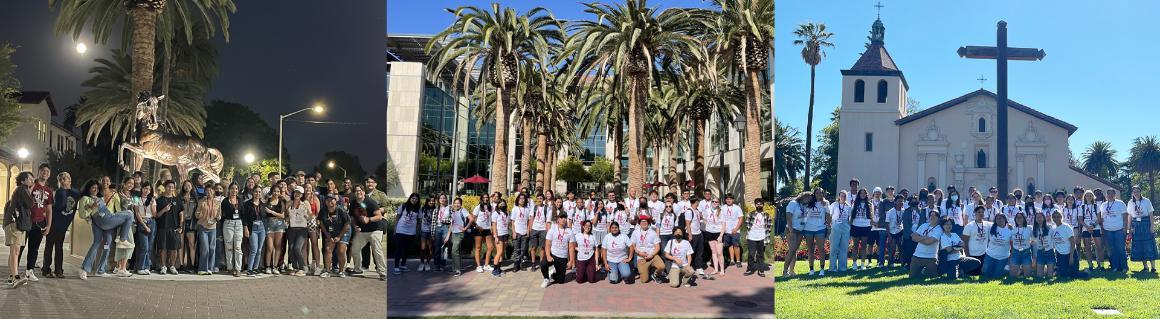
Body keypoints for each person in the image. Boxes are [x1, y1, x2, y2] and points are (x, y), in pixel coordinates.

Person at [42, 172, 79, 278]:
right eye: (60, 180)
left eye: (64, 179)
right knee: (49, 246)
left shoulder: (75, 193)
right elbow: (59, 204)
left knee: (59, 247)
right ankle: (46, 269)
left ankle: (59, 270)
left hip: (63, 225)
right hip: (53, 223)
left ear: (69, 180)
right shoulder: (58, 192)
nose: (62, 181)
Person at [24, 164, 54, 282]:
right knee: (20, 247)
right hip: (26, 221)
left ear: (49, 174)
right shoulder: (31, 185)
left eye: (47, 171)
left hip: (39, 222)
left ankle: (29, 271)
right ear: (39, 172)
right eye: (43, 171)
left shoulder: (48, 190)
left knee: (34, 248)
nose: (45, 173)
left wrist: (48, 225)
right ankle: (14, 272)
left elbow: (49, 209)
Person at [350, 186, 387, 280]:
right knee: (354, 248)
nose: (358, 192)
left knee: (376, 248)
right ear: (354, 193)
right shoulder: (353, 203)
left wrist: (369, 219)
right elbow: (352, 218)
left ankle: (382, 272)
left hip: (375, 229)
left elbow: (379, 216)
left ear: (363, 192)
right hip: (362, 231)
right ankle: (357, 269)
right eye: (356, 191)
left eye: (360, 190)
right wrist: (355, 226)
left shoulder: (370, 202)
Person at [6, 172, 35, 288]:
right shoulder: (22, 189)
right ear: (23, 181)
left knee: (14, 251)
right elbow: (31, 203)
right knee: (15, 251)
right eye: (30, 178)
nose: (32, 180)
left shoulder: (22, 190)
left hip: (18, 223)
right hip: (16, 223)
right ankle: (15, 278)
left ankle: (11, 276)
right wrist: (31, 191)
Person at [154, 180, 182, 275]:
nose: (171, 189)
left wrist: (180, 226)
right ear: (165, 187)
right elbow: (156, 215)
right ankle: (163, 266)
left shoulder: (177, 200)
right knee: (162, 248)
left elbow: (181, 213)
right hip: (162, 227)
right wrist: (164, 210)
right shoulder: (159, 200)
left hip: (174, 228)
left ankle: (172, 266)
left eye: (172, 187)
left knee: (174, 248)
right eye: (169, 187)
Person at [1128, 186, 1156, 272]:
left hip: (1146, 223)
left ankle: (1153, 267)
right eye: (1134, 191)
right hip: (1136, 225)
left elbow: (1151, 214)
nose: (1136, 193)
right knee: (1140, 246)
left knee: (1149, 244)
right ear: (1132, 193)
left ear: (1140, 192)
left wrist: (1152, 225)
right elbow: (1130, 216)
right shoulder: (1130, 203)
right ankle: (1145, 267)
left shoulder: (1146, 201)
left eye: (1137, 191)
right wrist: (1129, 228)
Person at [541, 213, 573, 288]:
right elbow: (548, 244)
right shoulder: (552, 229)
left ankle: (552, 273)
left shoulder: (569, 231)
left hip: (563, 257)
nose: (563, 219)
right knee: (543, 263)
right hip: (553, 254)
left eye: (565, 218)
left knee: (561, 281)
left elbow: (571, 247)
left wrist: (571, 261)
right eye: (561, 217)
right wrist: (548, 256)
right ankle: (546, 278)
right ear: (558, 219)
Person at [1101, 188, 1129, 273]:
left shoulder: (1120, 203)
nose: (1110, 195)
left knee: (1121, 248)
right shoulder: (1103, 205)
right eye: (1108, 193)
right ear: (1106, 195)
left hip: (1119, 229)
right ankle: (1115, 267)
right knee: (1112, 249)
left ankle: (1124, 267)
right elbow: (1102, 218)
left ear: (1114, 195)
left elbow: (1125, 216)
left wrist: (1125, 228)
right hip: (1108, 230)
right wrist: (1102, 228)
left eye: (1112, 193)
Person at [195, 185, 220, 275]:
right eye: (207, 191)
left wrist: (217, 218)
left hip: (213, 227)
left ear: (213, 192)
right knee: (205, 248)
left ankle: (210, 268)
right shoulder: (202, 201)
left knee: (212, 248)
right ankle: (202, 269)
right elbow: (196, 214)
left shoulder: (217, 202)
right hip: (203, 226)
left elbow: (219, 214)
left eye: (210, 191)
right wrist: (200, 214)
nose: (209, 192)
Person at [782, 192, 809, 277]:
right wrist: (791, 230)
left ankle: (792, 271)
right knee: (792, 250)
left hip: (800, 231)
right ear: (803, 196)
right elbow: (788, 217)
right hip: (792, 230)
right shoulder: (793, 203)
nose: (809, 200)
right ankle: (785, 271)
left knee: (794, 251)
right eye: (808, 198)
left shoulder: (804, 205)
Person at [909, 210, 941, 279]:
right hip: (917, 256)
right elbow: (913, 237)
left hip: (930, 258)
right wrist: (924, 238)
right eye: (931, 215)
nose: (932, 217)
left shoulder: (939, 229)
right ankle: (923, 271)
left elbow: (929, 242)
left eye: (934, 215)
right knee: (912, 277)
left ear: (938, 218)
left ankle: (925, 271)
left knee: (934, 277)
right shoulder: (924, 225)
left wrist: (919, 238)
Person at [633, 216, 665, 284]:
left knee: (662, 266)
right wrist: (639, 252)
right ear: (639, 223)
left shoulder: (653, 232)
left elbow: (657, 247)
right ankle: (649, 270)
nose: (644, 223)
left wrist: (652, 254)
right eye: (642, 221)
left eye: (646, 221)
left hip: (652, 256)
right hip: (641, 258)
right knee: (644, 280)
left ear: (648, 223)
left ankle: (655, 275)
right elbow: (633, 245)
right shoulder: (635, 232)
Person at [242, 187, 266, 277]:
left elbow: (265, 216)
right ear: (253, 192)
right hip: (252, 228)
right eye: (256, 192)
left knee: (259, 250)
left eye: (260, 192)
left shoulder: (263, 204)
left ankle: (256, 268)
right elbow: (244, 217)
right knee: (254, 249)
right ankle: (249, 269)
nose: (258, 193)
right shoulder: (248, 204)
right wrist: (246, 228)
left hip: (262, 227)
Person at [962, 206, 991, 277]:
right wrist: (967, 256)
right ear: (974, 213)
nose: (981, 214)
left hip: (984, 254)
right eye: (979, 212)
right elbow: (965, 242)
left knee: (982, 274)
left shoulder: (988, 225)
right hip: (972, 254)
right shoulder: (969, 226)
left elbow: (999, 224)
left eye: (982, 212)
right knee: (972, 274)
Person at [980, 214, 1012, 279]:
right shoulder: (991, 227)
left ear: (1005, 219)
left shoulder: (1010, 230)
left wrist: (1009, 259)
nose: (999, 220)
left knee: (996, 277)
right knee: (985, 275)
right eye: (997, 218)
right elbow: (982, 222)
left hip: (1002, 258)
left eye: (1001, 218)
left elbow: (1013, 245)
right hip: (990, 256)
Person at [745, 198, 771, 277]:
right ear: (755, 205)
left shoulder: (767, 215)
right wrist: (749, 233)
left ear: (763, 205)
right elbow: (747, 224)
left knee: (760, 255)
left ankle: (761, 270)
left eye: (760, 203)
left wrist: (766, 236)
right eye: (757, 203)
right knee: (751, 254)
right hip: (752, 236)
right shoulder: (750, 214)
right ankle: (750, 269)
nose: (759, 205)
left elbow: (769, 227)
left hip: (762, 237)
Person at [1079, 190, 1103, 271]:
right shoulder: (1081, 207)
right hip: (1086, 229)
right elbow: (1080, 220)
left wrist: (1093, 226)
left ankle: (1101, 265)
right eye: (1087, 195)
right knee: (1088, 247)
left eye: (1090, 195)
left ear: (1093, 197)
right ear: (1084, 197)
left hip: (1096, 227)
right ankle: (1090, 265)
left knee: (1099, 247)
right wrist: (1087, 227)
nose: (1088, 197)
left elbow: (1099, 218)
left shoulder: (1097, 206)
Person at [828, 191, 852, 273]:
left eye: (845, 196)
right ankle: (832, 268)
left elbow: (850, 218)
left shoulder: (848, 206)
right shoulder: (834, 204)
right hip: (836, 225)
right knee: (834, 247)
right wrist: (830, 225)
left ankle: (842, 267)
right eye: (842, 196)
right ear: (839, 196)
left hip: (845, 226)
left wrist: (848, 226)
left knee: (844, 247)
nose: (843, 197)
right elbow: (830, 215)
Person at [469, 195, 495, 273]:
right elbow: (472, 219)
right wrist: (477, 226)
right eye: (484, 198)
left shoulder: (490, 207)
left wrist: (491, 227)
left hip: (487, 229)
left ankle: (486, 265)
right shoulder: (478, 207)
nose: (486, 199)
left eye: (487, 197)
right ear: (481, 199)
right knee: (478, 248)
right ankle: (478, 266)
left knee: (490, 247)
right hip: (479, 230)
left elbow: (491, 218)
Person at [849, 189, 874, 270]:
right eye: (861, 193)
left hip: (866, 226)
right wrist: (849, 226)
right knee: (855, 246)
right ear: (859, 195)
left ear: (866, 195)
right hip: (856, 226)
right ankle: (854, 264)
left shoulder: (870, 204)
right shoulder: (855, 203)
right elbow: (852, 216)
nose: (862, 195)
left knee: (864, 246)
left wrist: (873, 224)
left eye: (864, 193)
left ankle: (862, 264)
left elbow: (872, 216)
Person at [445, 198, 469, 276]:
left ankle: (458, 270)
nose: (456, 204)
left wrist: (465, 228)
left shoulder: (463, 210)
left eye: (458, 203)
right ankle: (454, 268)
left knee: (454, 251)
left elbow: (471, 219)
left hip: (460, 234)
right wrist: (447, 236)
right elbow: (452, 225)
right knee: (456, 251)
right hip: (454, 234)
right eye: (455, 203)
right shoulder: (453, 212)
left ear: (461, 204)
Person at [179, 180, 199, 273]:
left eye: (189, 185)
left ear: (192, 187)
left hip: (191, 223)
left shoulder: (195, 198)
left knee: (191, 245)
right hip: (181, 223)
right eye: (185, 185)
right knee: (181, 245)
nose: (187, 187)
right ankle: (181, 265)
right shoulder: (179, 198)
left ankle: (192, 265)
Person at [721, 194, 744, 269]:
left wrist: (736, 228)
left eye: (730, 199)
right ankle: (732, 260)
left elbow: (740, 219)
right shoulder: (723, 208)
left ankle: (738, 261)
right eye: (727, 199)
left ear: (733, 200)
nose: (728, 200)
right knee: (730, 245)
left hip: (735, 230)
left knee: (736, 245)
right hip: (726, 230)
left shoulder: (737, 208)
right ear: (725, 200)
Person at [704, 197, 726, 276]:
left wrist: (721, 235)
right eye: (713, 201)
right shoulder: (707, 210)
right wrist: (709, 227)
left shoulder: (721, 212)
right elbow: (705, 219)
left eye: (716, 202)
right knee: (713, 251)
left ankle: (722, 269)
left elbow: (724, 224)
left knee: (719, 252)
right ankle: (716, 269)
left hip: (718, 233)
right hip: (709, 233)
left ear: (718, 203)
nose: (714, 203)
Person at [528, 194, 551, 271]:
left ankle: (541, 263)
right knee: (533, 247)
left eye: (541, 198)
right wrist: (530, 230)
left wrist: (548, 231)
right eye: (538, 198)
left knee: (542, 247)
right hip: (534, 229)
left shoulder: (547, 208)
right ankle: (533, 263)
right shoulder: (533, 207)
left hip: (543, 229)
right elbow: (531, 219)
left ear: (543, 199)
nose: (539, 200)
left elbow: (548, 221)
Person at [510, 194, 531, 272]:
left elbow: (528, 221)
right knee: (516, 250)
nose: (522, 200)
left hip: (524, 232)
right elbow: (512, 222)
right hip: (517, 232)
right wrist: (514, 232)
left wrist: (528, 231)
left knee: (523, 250)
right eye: (520, 198)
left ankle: (521, 265)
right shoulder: (515, 209)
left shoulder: (527, 209)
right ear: (518, 200)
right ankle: (516, 265)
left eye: (523, 198)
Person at [489, 200, 510, 277]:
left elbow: (507, 224)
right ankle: (494, 270)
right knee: (499, 252)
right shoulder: (495, 214)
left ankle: (499, 268)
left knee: (502, 253)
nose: (502, 205)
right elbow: (494, 225)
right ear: (498, 205)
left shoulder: (506, 213)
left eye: (503, 203)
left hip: (505, 234)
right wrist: (495, 236)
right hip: (499, 234)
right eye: (500, 204)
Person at [1031, 212, 1055, 277]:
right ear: (1035, 219)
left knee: (1050, 276)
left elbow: (1054, 239)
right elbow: (1033, 242)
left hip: (1049, 252)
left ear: (1044, 218)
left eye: (1040, 217)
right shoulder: (1034, 229)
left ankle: (1053, 271)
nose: (1039, 219)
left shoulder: (1050, 227)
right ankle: (1045, 270)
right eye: (1037, 217)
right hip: (1040, 252)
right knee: (1039, 276)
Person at [883, 197, 905, 267]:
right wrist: (889, 235)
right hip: (892, 232)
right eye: (899, 201)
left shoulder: (904, 211)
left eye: (902, 201)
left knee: (901, 248)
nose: (901, 203)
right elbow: (887, 223)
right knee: (892, 249)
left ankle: (903, 264)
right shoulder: (890, 211)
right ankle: (890, 263)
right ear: (895, 202)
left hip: (900, 231)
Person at [1010, 213, 1033, 278]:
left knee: (1027, 276)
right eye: (1017, 217)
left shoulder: (1029, 228)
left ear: (1024, 219)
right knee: (1012, 276)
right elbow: (1011, 241)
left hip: (1026, 252)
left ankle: (1021, 271)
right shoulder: (1013, 229)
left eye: (1020, 217)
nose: (1018, 219)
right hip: (1015, 252)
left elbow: (1034, 239)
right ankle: (1019, 271)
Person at [433, 194, 451, 272]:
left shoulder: (449, 208)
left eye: (444, 198)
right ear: (439, 200)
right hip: (437, 228)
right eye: (441, 198)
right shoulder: (436, 209)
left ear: (446, 199)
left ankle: (443, 264)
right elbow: (433, 222)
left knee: (445, 247)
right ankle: (437, 265)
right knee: (437, 248)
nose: (442, 199)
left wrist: (444, 220)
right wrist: (432, 233)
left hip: (446, 228)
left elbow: (452, 220)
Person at [417, 197, 436, 272]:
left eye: (433, 201)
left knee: (431, 248)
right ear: (427, 201)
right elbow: (419, 219)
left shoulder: (435, 209)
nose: (431, 202)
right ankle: (421, 263)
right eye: (430, 201)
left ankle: (427, 263)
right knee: (423, 248)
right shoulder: (422, 209)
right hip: (424, 231)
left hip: (432, 231)